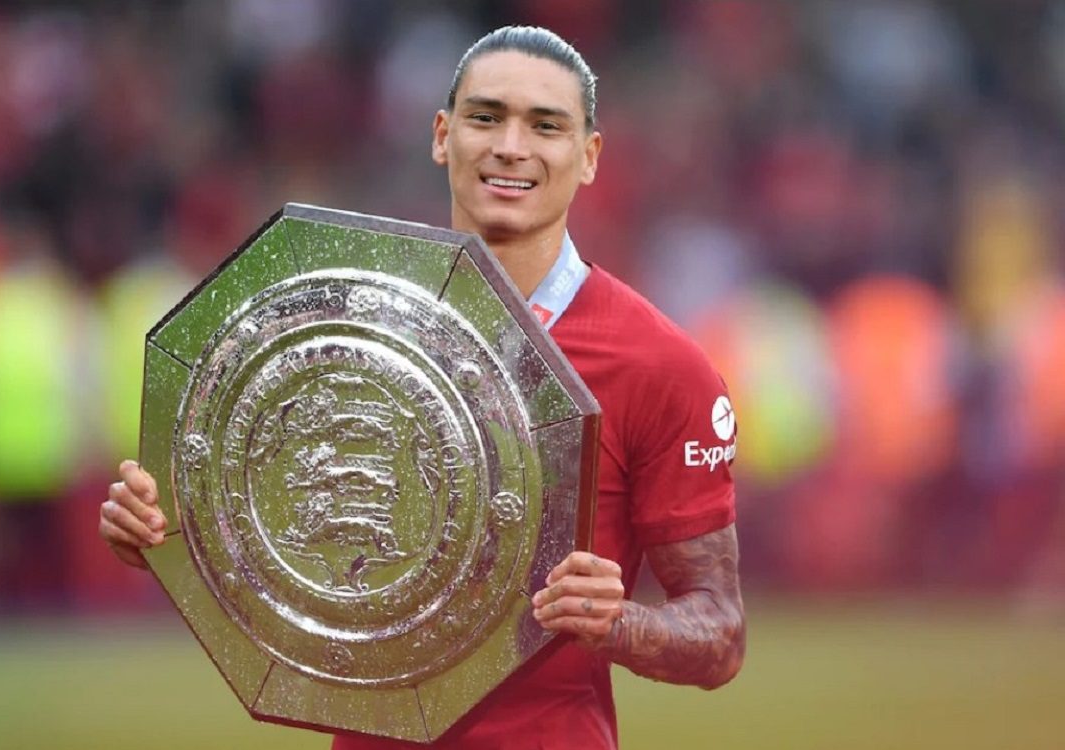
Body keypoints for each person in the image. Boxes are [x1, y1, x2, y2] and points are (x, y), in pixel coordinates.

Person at [99, 25, 745, 750]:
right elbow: (263, 529)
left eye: (546, 126)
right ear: (443, 136)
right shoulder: (348, 322)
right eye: (486, 117)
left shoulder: (659, 364)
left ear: (589, 156)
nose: (511, 146)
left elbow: (720, 635)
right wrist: (161, 531)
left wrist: (619, 622)